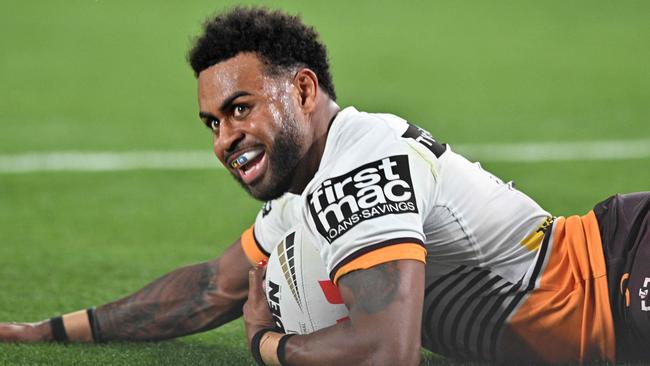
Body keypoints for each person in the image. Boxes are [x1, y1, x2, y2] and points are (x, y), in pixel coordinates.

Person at [1, 6, 648, 365]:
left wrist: (268, 344)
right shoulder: (303, 191)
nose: (225, 138)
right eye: (213, 122)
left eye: (241, 107)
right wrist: (49, 331)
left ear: (304, 89)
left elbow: (385, 354)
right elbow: (211, 287)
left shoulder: (359, 168)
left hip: (622, 271)